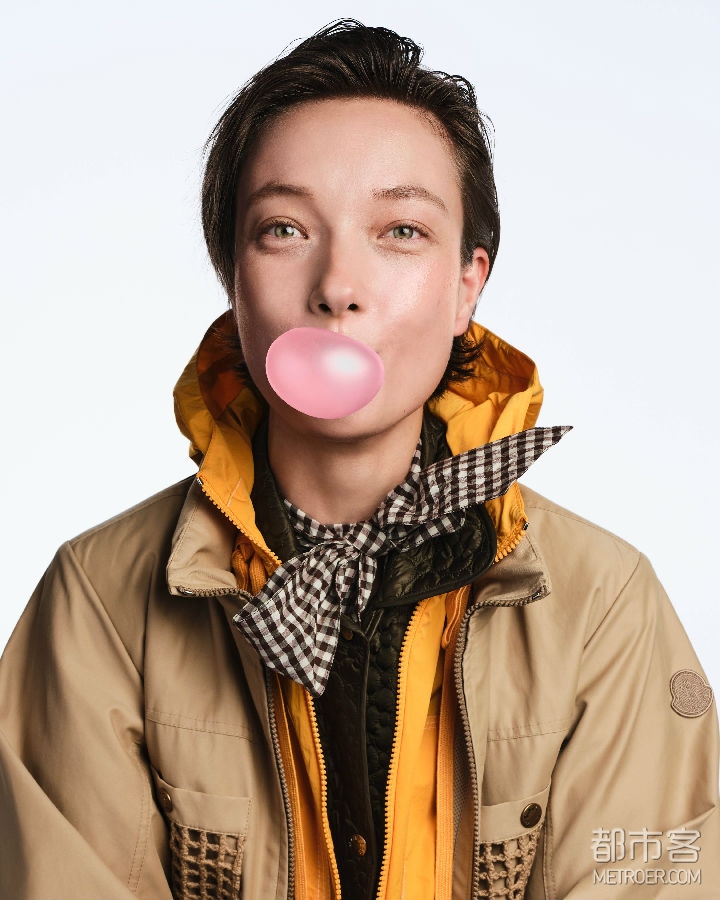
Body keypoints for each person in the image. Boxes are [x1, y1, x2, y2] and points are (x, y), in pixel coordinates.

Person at [0, 19, 717, 900]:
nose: (338, 286)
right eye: (284, 229)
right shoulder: (100, 604)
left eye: (401, 231)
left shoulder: (603, 610)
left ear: (467, 284)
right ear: (233, 279)